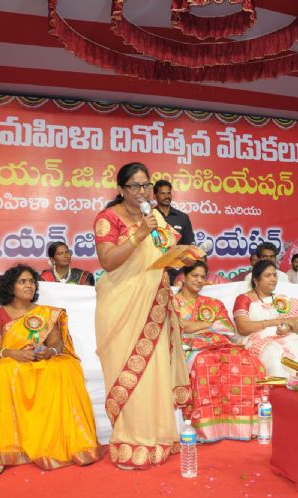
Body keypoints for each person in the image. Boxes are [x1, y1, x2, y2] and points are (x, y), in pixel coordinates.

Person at [94, 162, 194, 470]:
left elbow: (164, 254)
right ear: (121, 189)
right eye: (135, 186)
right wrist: (139, 234)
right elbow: (108, 261)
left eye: (146, 185)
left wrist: (182, 256)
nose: (142, 192)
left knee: (155, 372)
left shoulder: (157, 217)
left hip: (155, 304)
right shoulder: (107, 219)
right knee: (129, 371)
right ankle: (131, 441)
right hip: (122, 306)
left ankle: (158, 439)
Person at [0, 265, 100, 474]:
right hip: (11, 361)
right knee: (2, 370)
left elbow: (56, 343)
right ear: (10, 287)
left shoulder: (45, 313)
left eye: (31, 282)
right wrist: (15, 354)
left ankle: (74, 445)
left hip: (40, 361)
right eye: (22, 282)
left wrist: (49, 352)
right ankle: (3, 450)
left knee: (66, 366)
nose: (29, 286)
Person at [174, 261, 267, 442]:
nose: (199, 280)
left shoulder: (212, 303)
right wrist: (208, 325)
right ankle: (205, 428)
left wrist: (196, 326)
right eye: (194, 275)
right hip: (187, 346)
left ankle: (239, 426)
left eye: (203, 277)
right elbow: (179, 326)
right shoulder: (172, 303)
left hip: (218, 344)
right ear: (184, 277)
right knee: (203, 361)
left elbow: (226, 328)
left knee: (247, 360)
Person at [233, 260, 298, 377]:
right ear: (256, 280)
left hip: (286, 337)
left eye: (274, 275)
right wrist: (277, 322)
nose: (273, 279)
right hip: (258, 340)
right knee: (276, 354)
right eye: (268, 275)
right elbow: (243, 328)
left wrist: (288, 327)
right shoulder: (244, 299)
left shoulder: (281, 300)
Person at [154, 180, 195, 283]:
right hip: (154, 270)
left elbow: (188, 245)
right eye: (162, 193)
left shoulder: (182, 217)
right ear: (155, 196)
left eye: (168, 193)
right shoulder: (150, 216)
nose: (166, 196)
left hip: (177, 272)